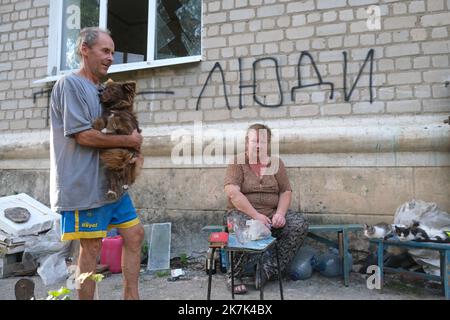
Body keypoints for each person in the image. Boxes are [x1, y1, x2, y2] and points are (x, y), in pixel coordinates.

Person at [49, 27, 144, 300]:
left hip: (111, 185)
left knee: (135, 234)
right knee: (91, 247)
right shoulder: (70, 85)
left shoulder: (102, 89)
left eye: (113, 52)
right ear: (84, 50)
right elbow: (83, 136)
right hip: (83, 186)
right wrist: (129, 140)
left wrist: (130, 138)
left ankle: (131, 296)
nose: (111, 57)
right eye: (105, 51)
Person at [224, 123, 309, 294]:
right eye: (254, 141)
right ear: (247, 142)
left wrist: (280, 214)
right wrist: (255, 216)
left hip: (270, 215)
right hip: (243, 213)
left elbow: (286, 191)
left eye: (262, 142)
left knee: (299, 224)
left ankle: (267, 269)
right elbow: (233, 193)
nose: (258, 145)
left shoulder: (276, 163)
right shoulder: (237, 163)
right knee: (243, 227)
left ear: (268, 144)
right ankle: (234, 275)